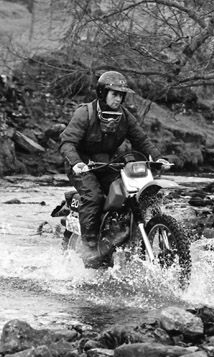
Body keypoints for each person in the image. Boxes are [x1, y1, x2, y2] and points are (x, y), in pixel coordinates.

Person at [59, 71, 168, 265]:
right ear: (102, 93)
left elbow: (141, 139)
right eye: (114, 94)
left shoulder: (125, 117)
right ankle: (90, 248)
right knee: (94, 197)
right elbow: (67, 142)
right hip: (82, 167)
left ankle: (120, 236)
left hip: (108, 165)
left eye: (121, 95)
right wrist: (77, 163)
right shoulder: (85, 113)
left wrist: (158, 158)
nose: (118, 99)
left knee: (127, 193)